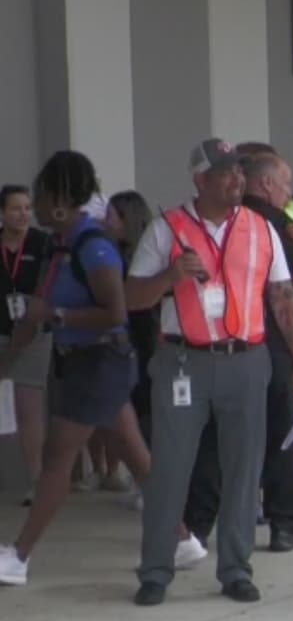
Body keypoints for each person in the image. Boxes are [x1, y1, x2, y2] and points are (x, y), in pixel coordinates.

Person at [126, 138, 293, 606]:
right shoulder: (166, 229)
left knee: (243, 468)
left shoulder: (261, 227)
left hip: (246, 360)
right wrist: (171, 278)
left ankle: (235, 568)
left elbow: (283, 298)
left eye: (240, 172)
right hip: (183, 360)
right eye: (226, 172)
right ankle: (155, 569)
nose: (237, 180)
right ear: (200, 179)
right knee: (171, 468)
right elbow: (132, 298)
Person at [0, 151, 198, 586]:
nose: (34, 201)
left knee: (57, 460)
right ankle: (183, 540)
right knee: (139, 460)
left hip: (99, 364)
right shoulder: (60, 245)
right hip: (84, 365)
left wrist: (58, 317)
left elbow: (115, 311)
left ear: (60, 199)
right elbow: (35, 313)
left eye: (42, 192)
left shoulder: (94, 247)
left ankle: (18, 555)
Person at [241, 150, 293, 552]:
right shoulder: (280, 225)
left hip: (231, 346)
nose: (289, 192)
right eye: (285, 183)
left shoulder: (226, 222)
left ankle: (205, 523)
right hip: (275, 344)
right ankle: (285, 524)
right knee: (287, 434)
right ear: (266, 184)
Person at [86, 191, 157, 495]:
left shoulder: (140, 258)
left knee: (145, 415)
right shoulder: (112, 253)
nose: (106, 221)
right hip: (129, 343)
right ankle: (144, 482)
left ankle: (153, 485)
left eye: (112, 216)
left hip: (144, 343)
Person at [0, 185, 53, 507]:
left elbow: (50, 284)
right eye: (16, 208)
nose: (23, 213)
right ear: (2, 213)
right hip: (1, 330)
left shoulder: (42, 243)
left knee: (29, 407)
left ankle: (37, 482)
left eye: (27, 207)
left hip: (34, 333)